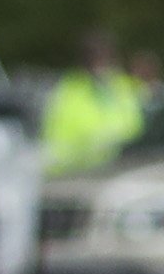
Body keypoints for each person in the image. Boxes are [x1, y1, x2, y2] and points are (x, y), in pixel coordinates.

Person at [41, 31, 147, 174]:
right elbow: (56, 146)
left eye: (105, 58)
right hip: (81, 174)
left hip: (128, 170)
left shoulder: (124, 87)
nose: (100, 65)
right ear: (83, 63)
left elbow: (140, 130)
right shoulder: (69, 91)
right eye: (94, 59)